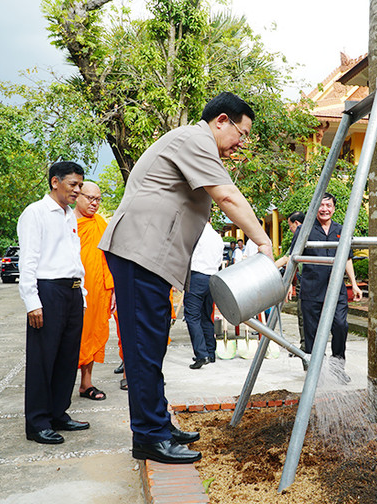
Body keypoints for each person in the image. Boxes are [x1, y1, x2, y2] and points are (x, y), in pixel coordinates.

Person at [99, 91, 273, 464]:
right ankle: (148, 436)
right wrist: (263, 241)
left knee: (152, 344)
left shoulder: (193, 142)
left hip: (149, 259)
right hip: (137, 253)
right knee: (144, 346)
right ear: (221, 120)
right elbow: (226, 195)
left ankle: (159, 423)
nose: (240, 144)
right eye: (240, 134)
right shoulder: (195, 139)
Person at [17, 161, 90, 445]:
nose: (77, 190)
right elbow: (29, 260)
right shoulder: (35, 213)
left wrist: (80, 293)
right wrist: (32, 301)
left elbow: (74, 258)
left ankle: (59, 413)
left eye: (80, 185)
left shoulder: (69, 214)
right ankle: (37, 422)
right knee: (43, 359)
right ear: (54, 182)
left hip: (71, 291)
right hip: (47, 291)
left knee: (67, 357)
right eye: (73, 184)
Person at [293, 193, 362, 382]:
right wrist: (287, 286)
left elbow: (347, 257)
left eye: (328, 205)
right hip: (311, 289)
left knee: (341, 326)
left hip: (335, 289)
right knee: (311, 334)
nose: (325, 209)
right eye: (321, 205)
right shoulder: (305, 230)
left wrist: (354, 284)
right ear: (316, 208)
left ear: (333, 208)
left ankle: (338, 368)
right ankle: (316, 373)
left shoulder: (341, 230)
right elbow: (294, 258)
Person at [74, 181, 115, 401]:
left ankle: (86, 384)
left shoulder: (100, 222)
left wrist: (113, 288)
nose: (94, 203)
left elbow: (110, 258)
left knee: (92, 335)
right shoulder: (68, 222)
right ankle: (61, 386)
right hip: (73, 289)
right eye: (90, 198)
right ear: (78, 195)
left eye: (98, 199)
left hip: (98, 289)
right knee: (71, 336)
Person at [185, 221, 224, 369]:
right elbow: (219, 260)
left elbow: (186, 256)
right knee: (207, 316)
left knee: (192, 317)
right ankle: (210, 352)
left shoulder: (196, 233)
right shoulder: (217, 237)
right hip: (212, 278)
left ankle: (202, 355)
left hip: (197, 277)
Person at [276, 211, 305, 350]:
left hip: (308, 280)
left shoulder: (302, 234)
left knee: (304, 315)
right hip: (301, 279)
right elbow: (287, 257)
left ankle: (307, 348)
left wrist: (288, 283)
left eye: (290, 226)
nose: (290, 230)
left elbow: (290, 260)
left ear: (297, 224)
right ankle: (305, 347)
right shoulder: (298, 238)